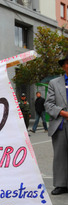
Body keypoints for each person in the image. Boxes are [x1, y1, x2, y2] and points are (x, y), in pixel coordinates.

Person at [44, 53, 68, 195]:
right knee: (60, 155)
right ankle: (61, 184)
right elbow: (49, 104)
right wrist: (64, 113)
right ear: (64, 66)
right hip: (60, 123)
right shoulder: (54, 83)